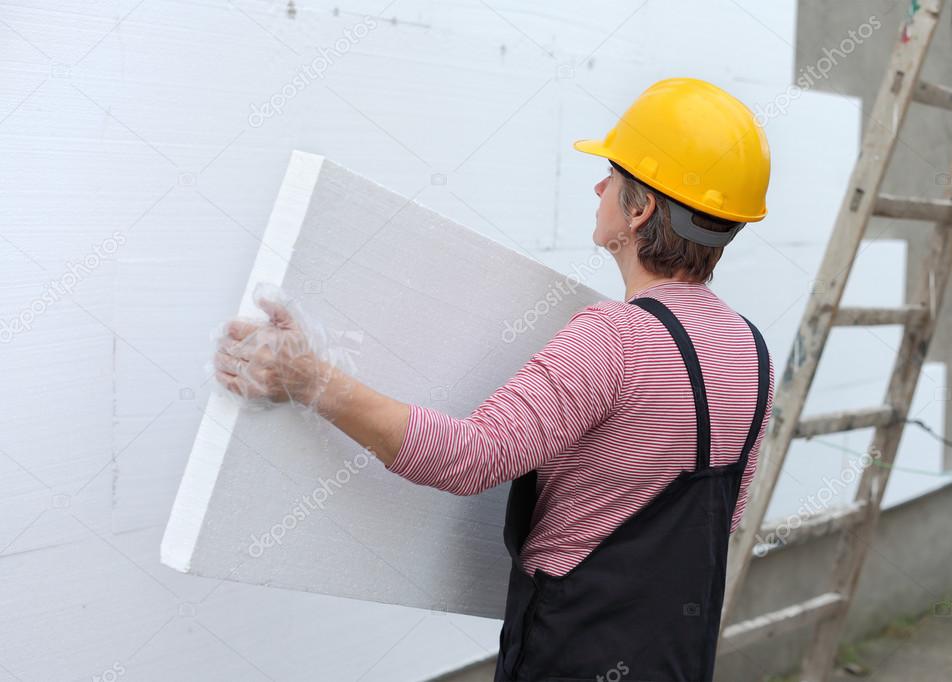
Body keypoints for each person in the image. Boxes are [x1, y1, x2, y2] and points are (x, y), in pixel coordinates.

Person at [214, 77, 775, 681]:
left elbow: (471, 459)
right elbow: (726, 515)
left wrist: (310, 380)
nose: (598, 186)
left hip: (573, 655)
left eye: (611, 175)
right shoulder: (752, 349)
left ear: (639, 211)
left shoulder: (615, 339)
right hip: (677, 660)